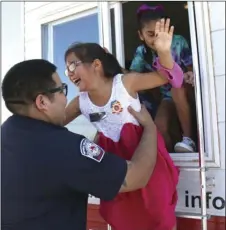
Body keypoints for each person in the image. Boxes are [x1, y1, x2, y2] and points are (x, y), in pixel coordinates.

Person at [1, 59, 158, 230]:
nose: (65, 98)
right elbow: (136, 177)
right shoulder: (64, 148)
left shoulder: (6, 135)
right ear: (42, 102)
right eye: (61, 90)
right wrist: (150, 128)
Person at [64, 19, 180, 230]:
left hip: (146, 154)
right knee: (123, 217)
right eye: (66, 70)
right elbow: (49, 124)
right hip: (115, 166)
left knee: (158, 212)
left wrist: (164, 52)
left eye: (73, 65)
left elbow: (170, 78)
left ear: (97, 64)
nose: (69, 73)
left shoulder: (125, 83)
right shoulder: (80, 102)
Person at [130, 4, 196, 153]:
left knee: (176, 88)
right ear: (141, 35)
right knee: (159, 125)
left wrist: (189, 74)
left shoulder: (178, 41)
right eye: (150, 34)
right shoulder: (142, 52)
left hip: (186, 90)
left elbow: (192, 68)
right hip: (167, 97)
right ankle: (169, 157)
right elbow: (132, 77)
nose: (156, 39)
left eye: (160, 33)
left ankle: (189, 139)